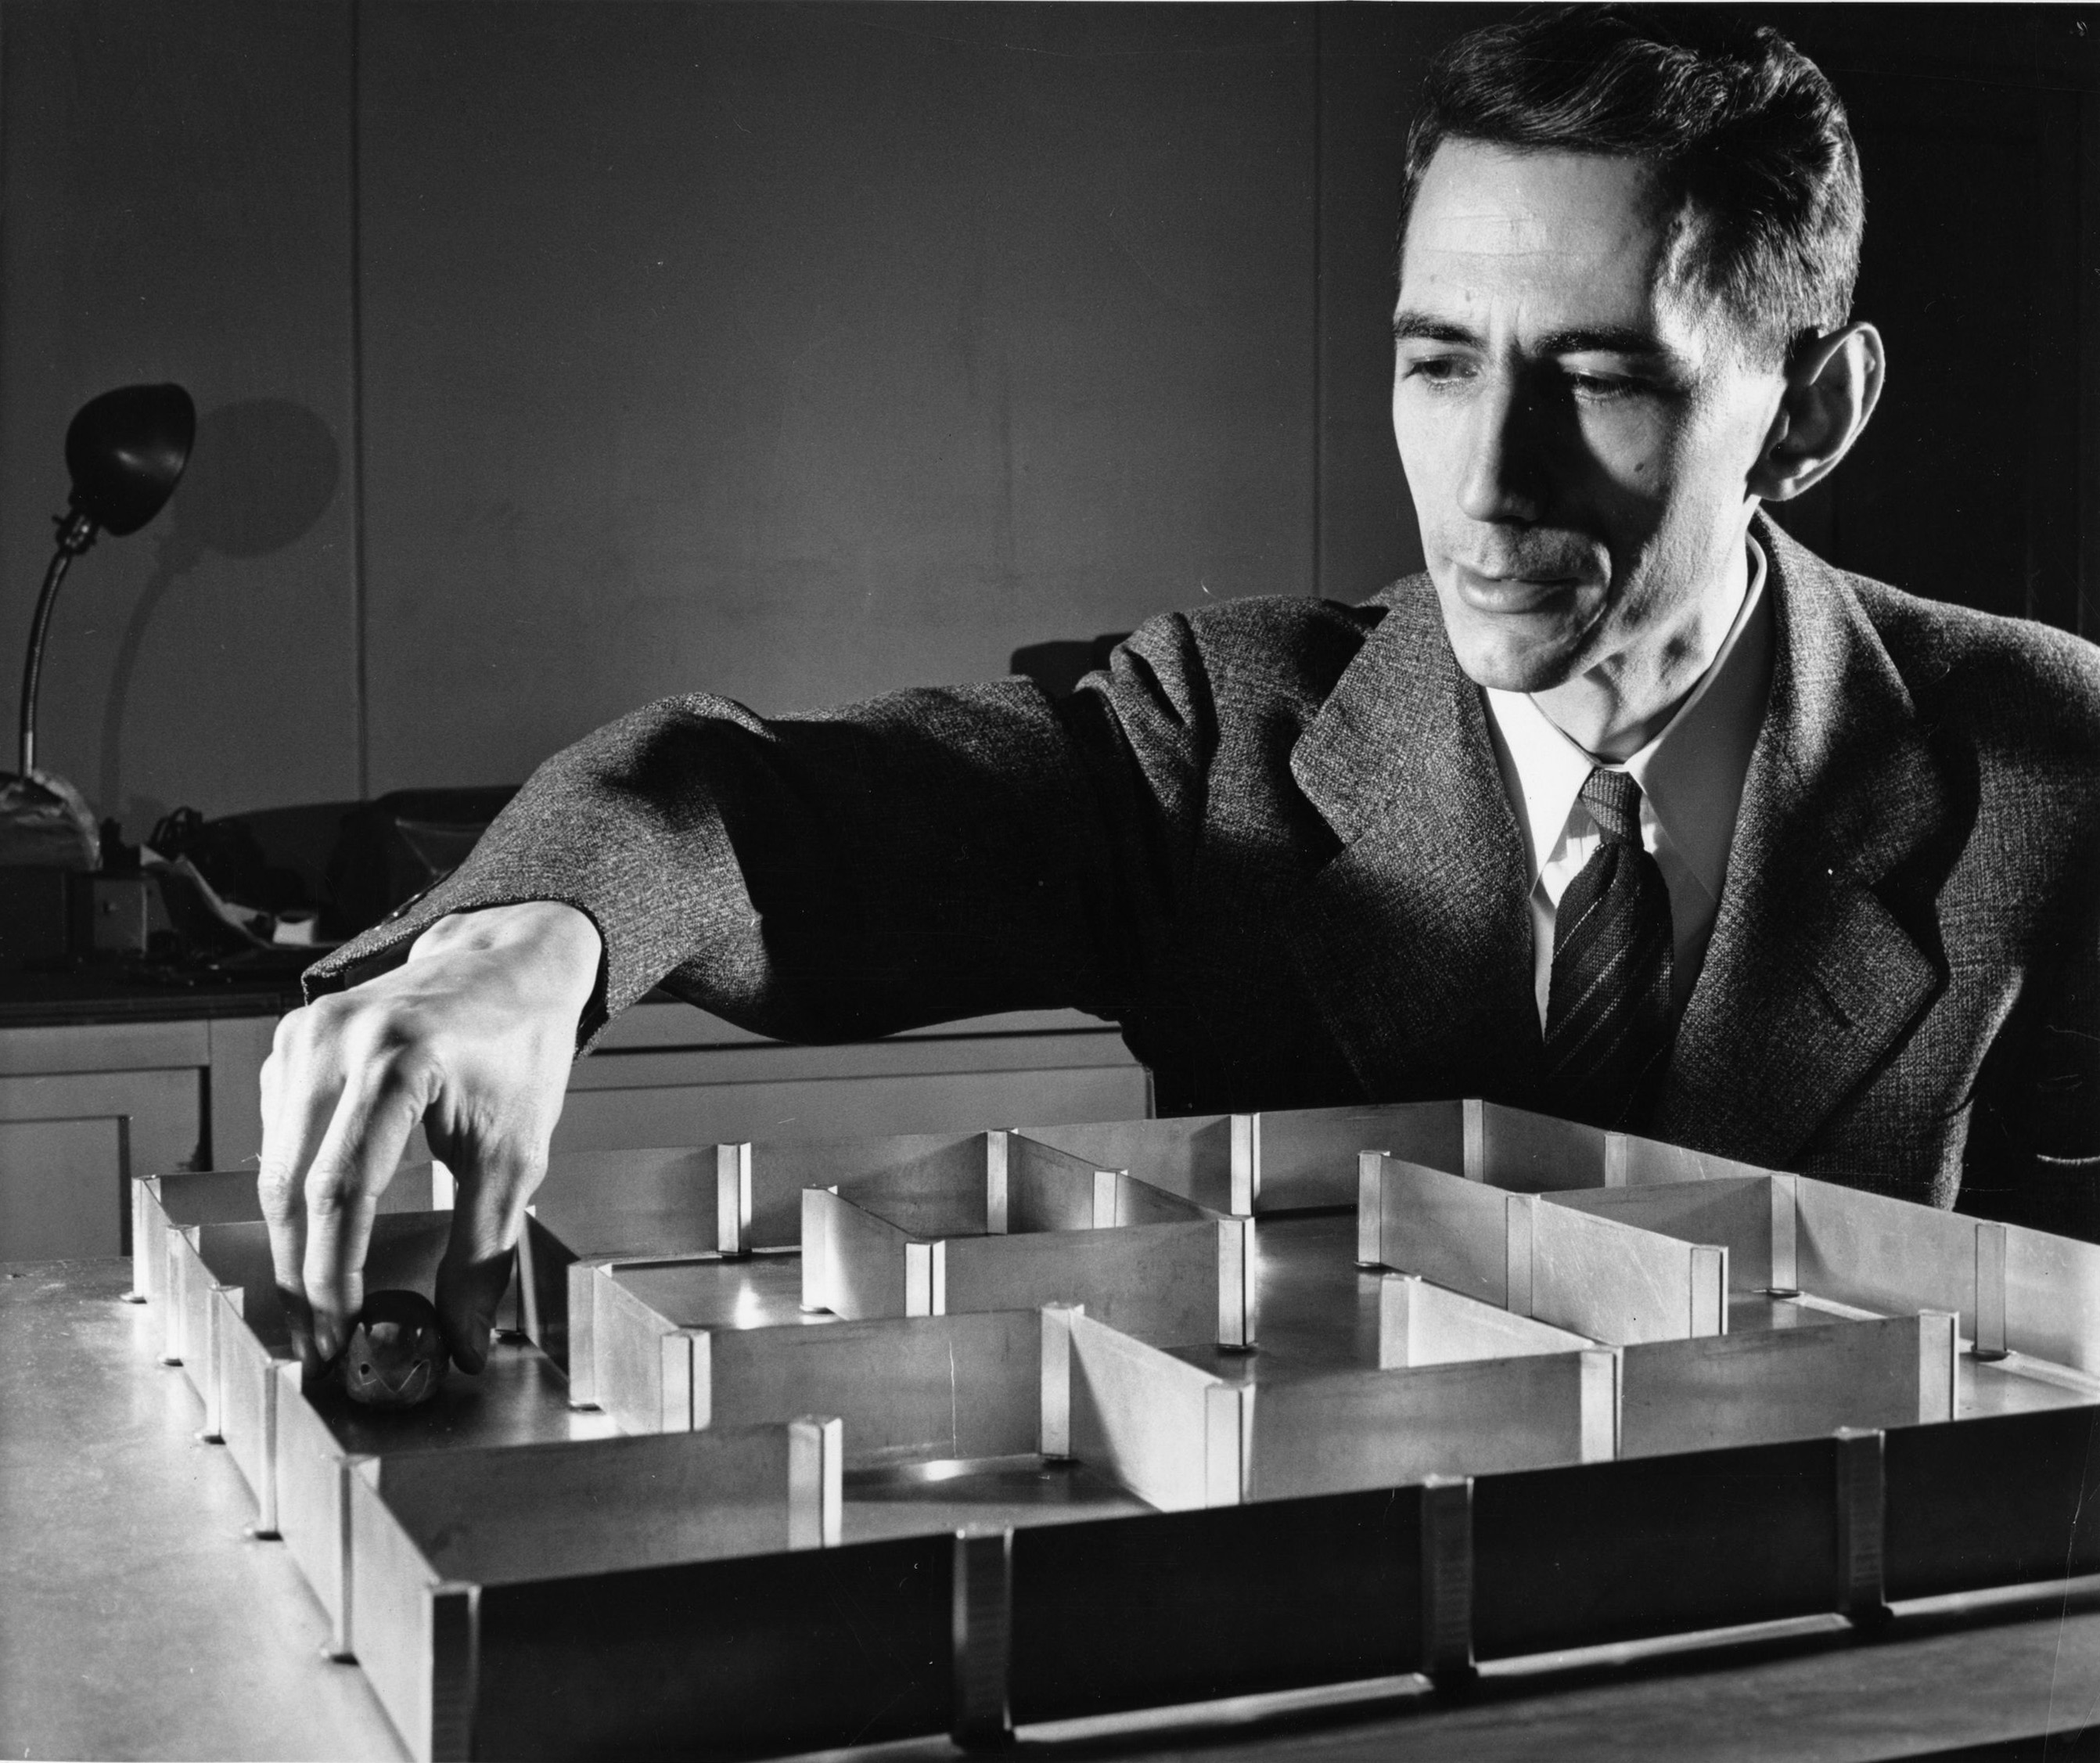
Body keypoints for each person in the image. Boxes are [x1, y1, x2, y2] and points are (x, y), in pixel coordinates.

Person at [260, 8, 2100, 1379]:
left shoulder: (2057, 770)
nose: (1485, 484)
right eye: (1438, 364)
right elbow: (759, 808)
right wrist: (532, 938)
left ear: (1813, 413)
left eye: (1600, 382)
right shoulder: (1224, 734)